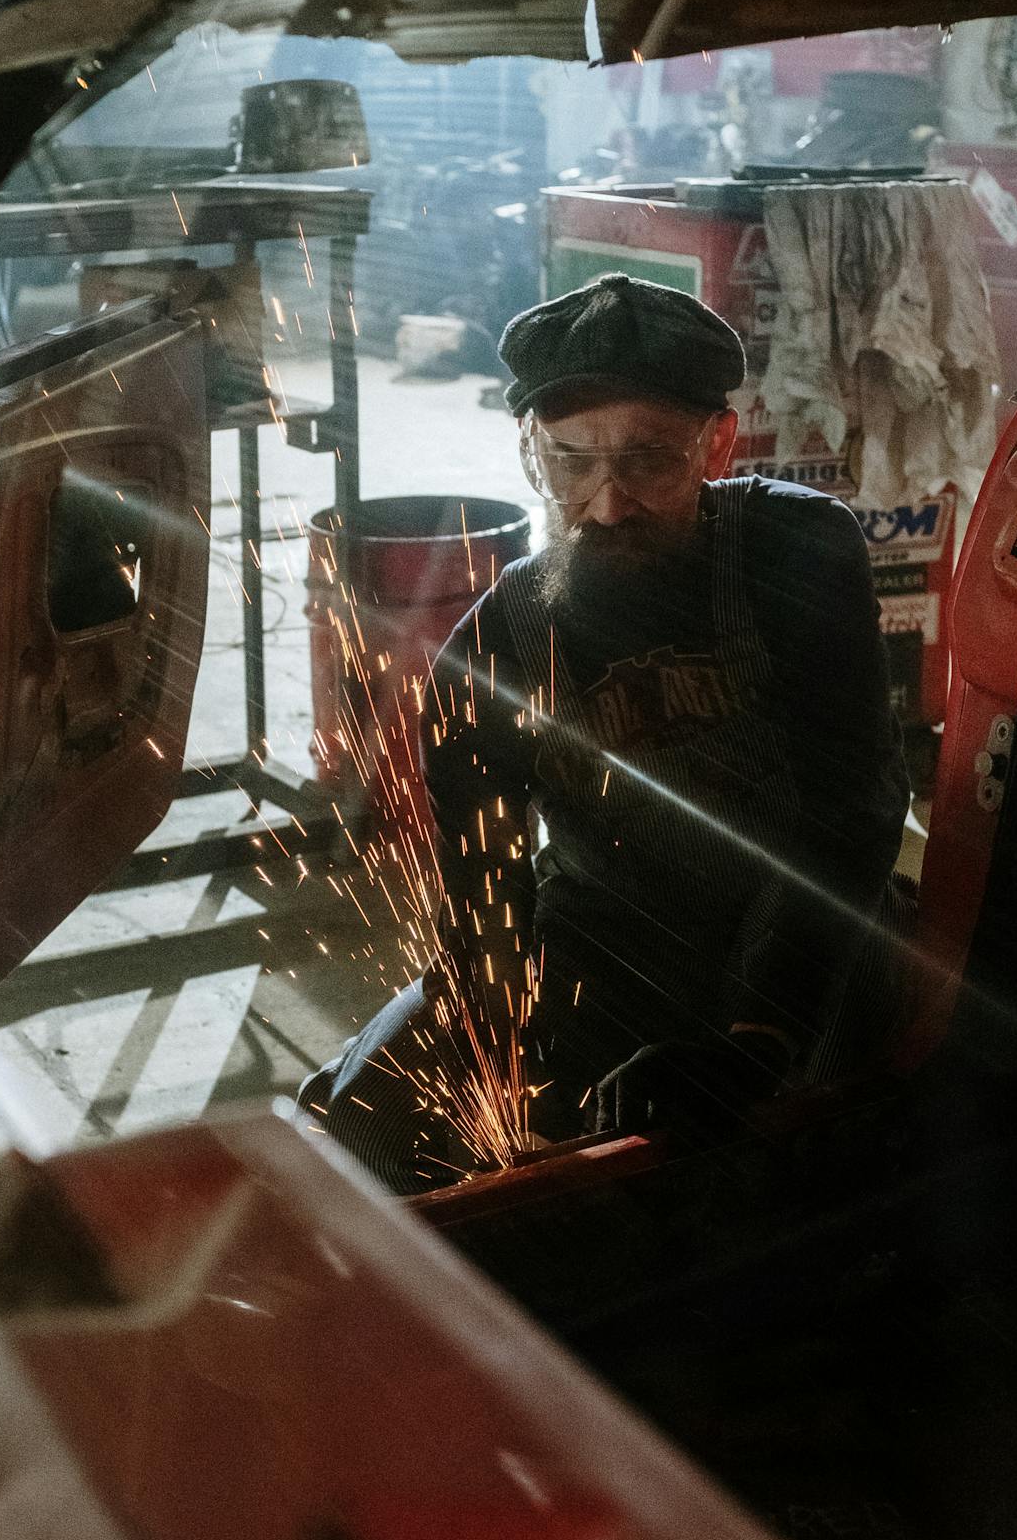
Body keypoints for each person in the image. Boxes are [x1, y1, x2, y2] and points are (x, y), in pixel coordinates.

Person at [302, 270, 910, 1191]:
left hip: (804, 923)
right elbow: (488, 904)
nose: (608, 502)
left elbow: (850, 813)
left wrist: (751, 1036)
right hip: (605, 940)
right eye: (571, 461)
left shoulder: (796, 553)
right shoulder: (495, 648)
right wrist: (492, 1049)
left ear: (718, 443)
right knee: (364, 1123)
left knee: (774, 1155)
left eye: (648, 460)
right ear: (529, 454)